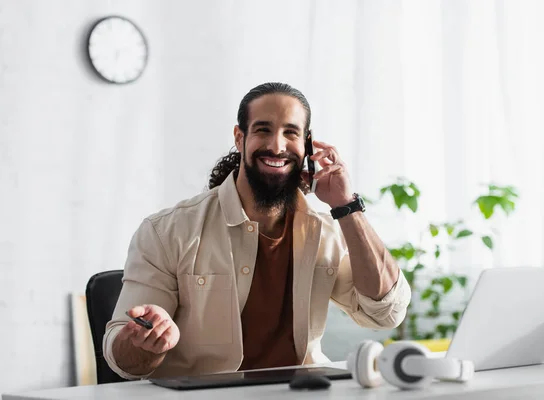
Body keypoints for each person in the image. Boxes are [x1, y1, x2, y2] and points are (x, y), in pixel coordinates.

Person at [103, 82, 411, 380]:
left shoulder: (327, 230)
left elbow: (384, 312)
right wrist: (147, 342)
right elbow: (124, 363)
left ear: (307, 144)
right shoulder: (167, 232)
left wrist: (346, 205)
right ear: (240, 138)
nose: (277, 146)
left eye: (290, 133)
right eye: (263, 129)